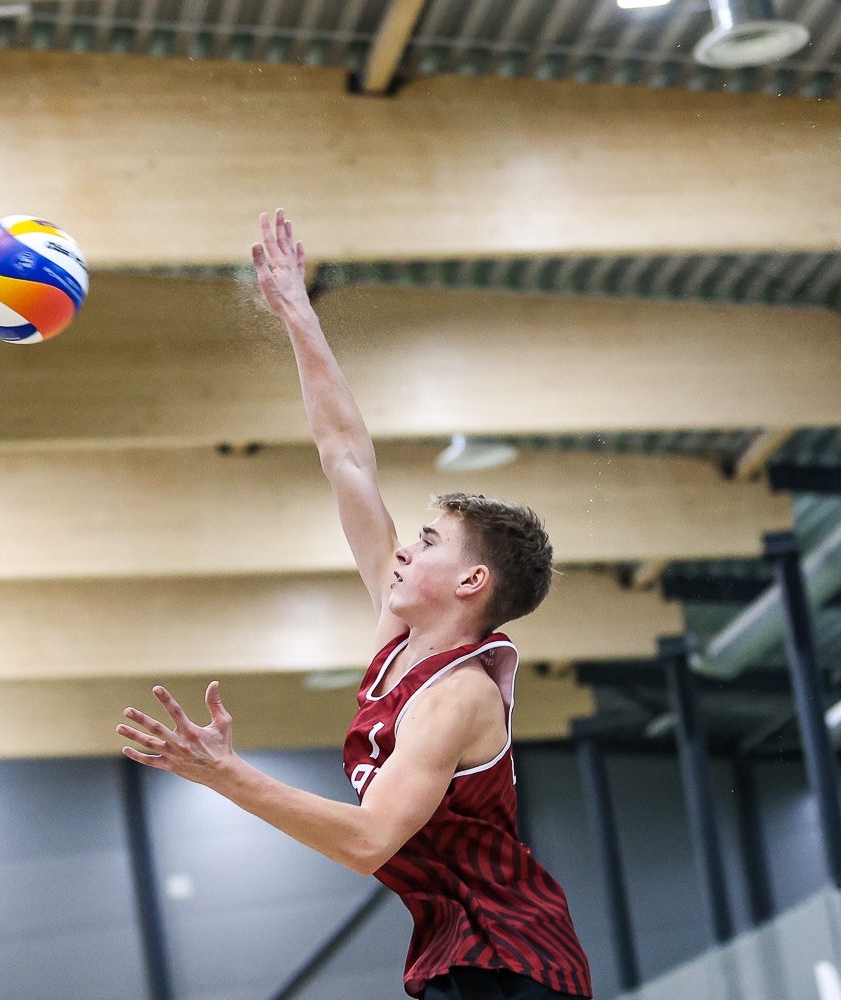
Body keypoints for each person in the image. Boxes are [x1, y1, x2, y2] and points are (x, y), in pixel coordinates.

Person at [117, 210, 593, 1000]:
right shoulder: (397, 631)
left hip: (512, 962)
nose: (404, 548)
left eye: (429, 542)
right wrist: (298, 315)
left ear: (472, 582)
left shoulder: (458, 696)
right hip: (458, 956)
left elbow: (371, 841)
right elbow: (345, 456)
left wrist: (227, 775)